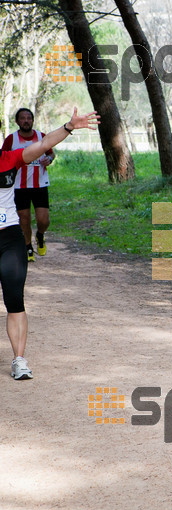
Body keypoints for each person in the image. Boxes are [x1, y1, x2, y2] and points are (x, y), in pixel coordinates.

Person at [0, 107, 100, 379]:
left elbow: (43, 144)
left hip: (9, 237)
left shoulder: (9, 159)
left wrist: (68, 126)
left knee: (14, 300)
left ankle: (19, 360)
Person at [2, 108, 55, 262]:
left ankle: (40, 235)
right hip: (19, 186)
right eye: (22, 118)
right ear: (17, 121)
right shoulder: (11, 139)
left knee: (43, 220)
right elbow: (3, 157)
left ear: (32, 120)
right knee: (23, 219)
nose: (26, 121)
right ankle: (28, 247)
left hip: (40, 184)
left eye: (28, 118)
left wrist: (50, 159)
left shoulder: (41, 137)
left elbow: (51, 153)